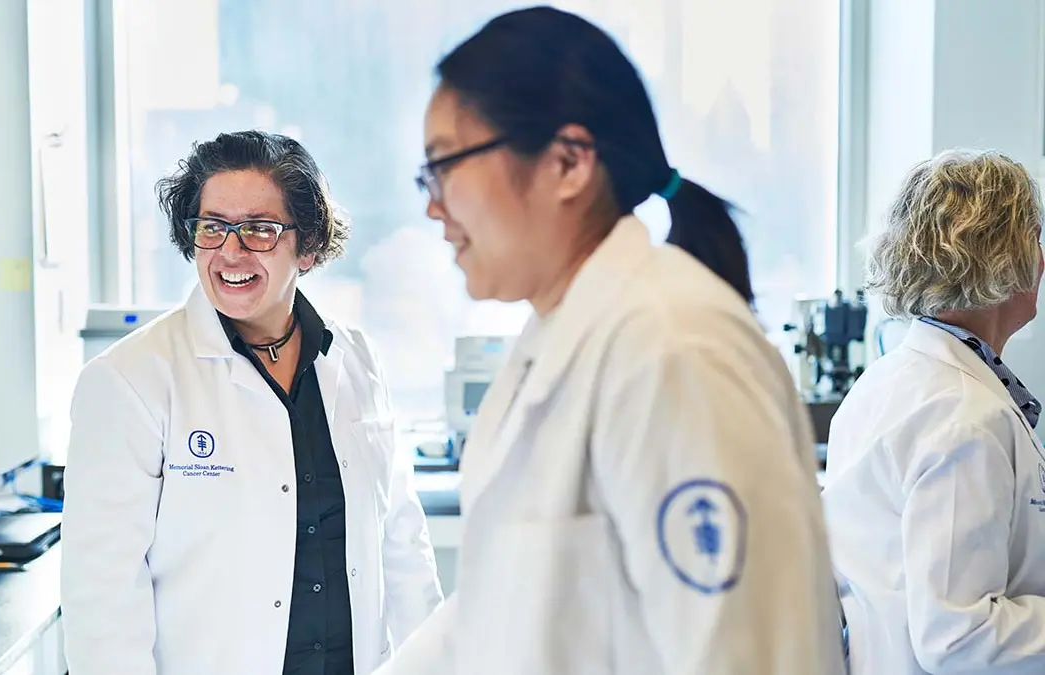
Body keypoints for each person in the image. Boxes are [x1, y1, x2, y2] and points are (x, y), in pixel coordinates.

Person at [377, 7, 846, 675]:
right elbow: (492, 617)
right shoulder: (558, 341)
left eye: (444, 165)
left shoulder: (674, 350)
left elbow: (744, 652)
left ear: (568, 162)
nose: (432, 205)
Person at [61, 130, 444, 675]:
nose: (230, 252)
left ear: (307, 246)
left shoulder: (356, 360)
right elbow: (102, 593)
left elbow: (402, 542)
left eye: (259, 230)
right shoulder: (130, 380)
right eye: (213, 227)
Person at [821, 149, 1045, 675]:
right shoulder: (963, 418)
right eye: (1034, 238)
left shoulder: (888, 382)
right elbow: (960, 637)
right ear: (1004, 257)